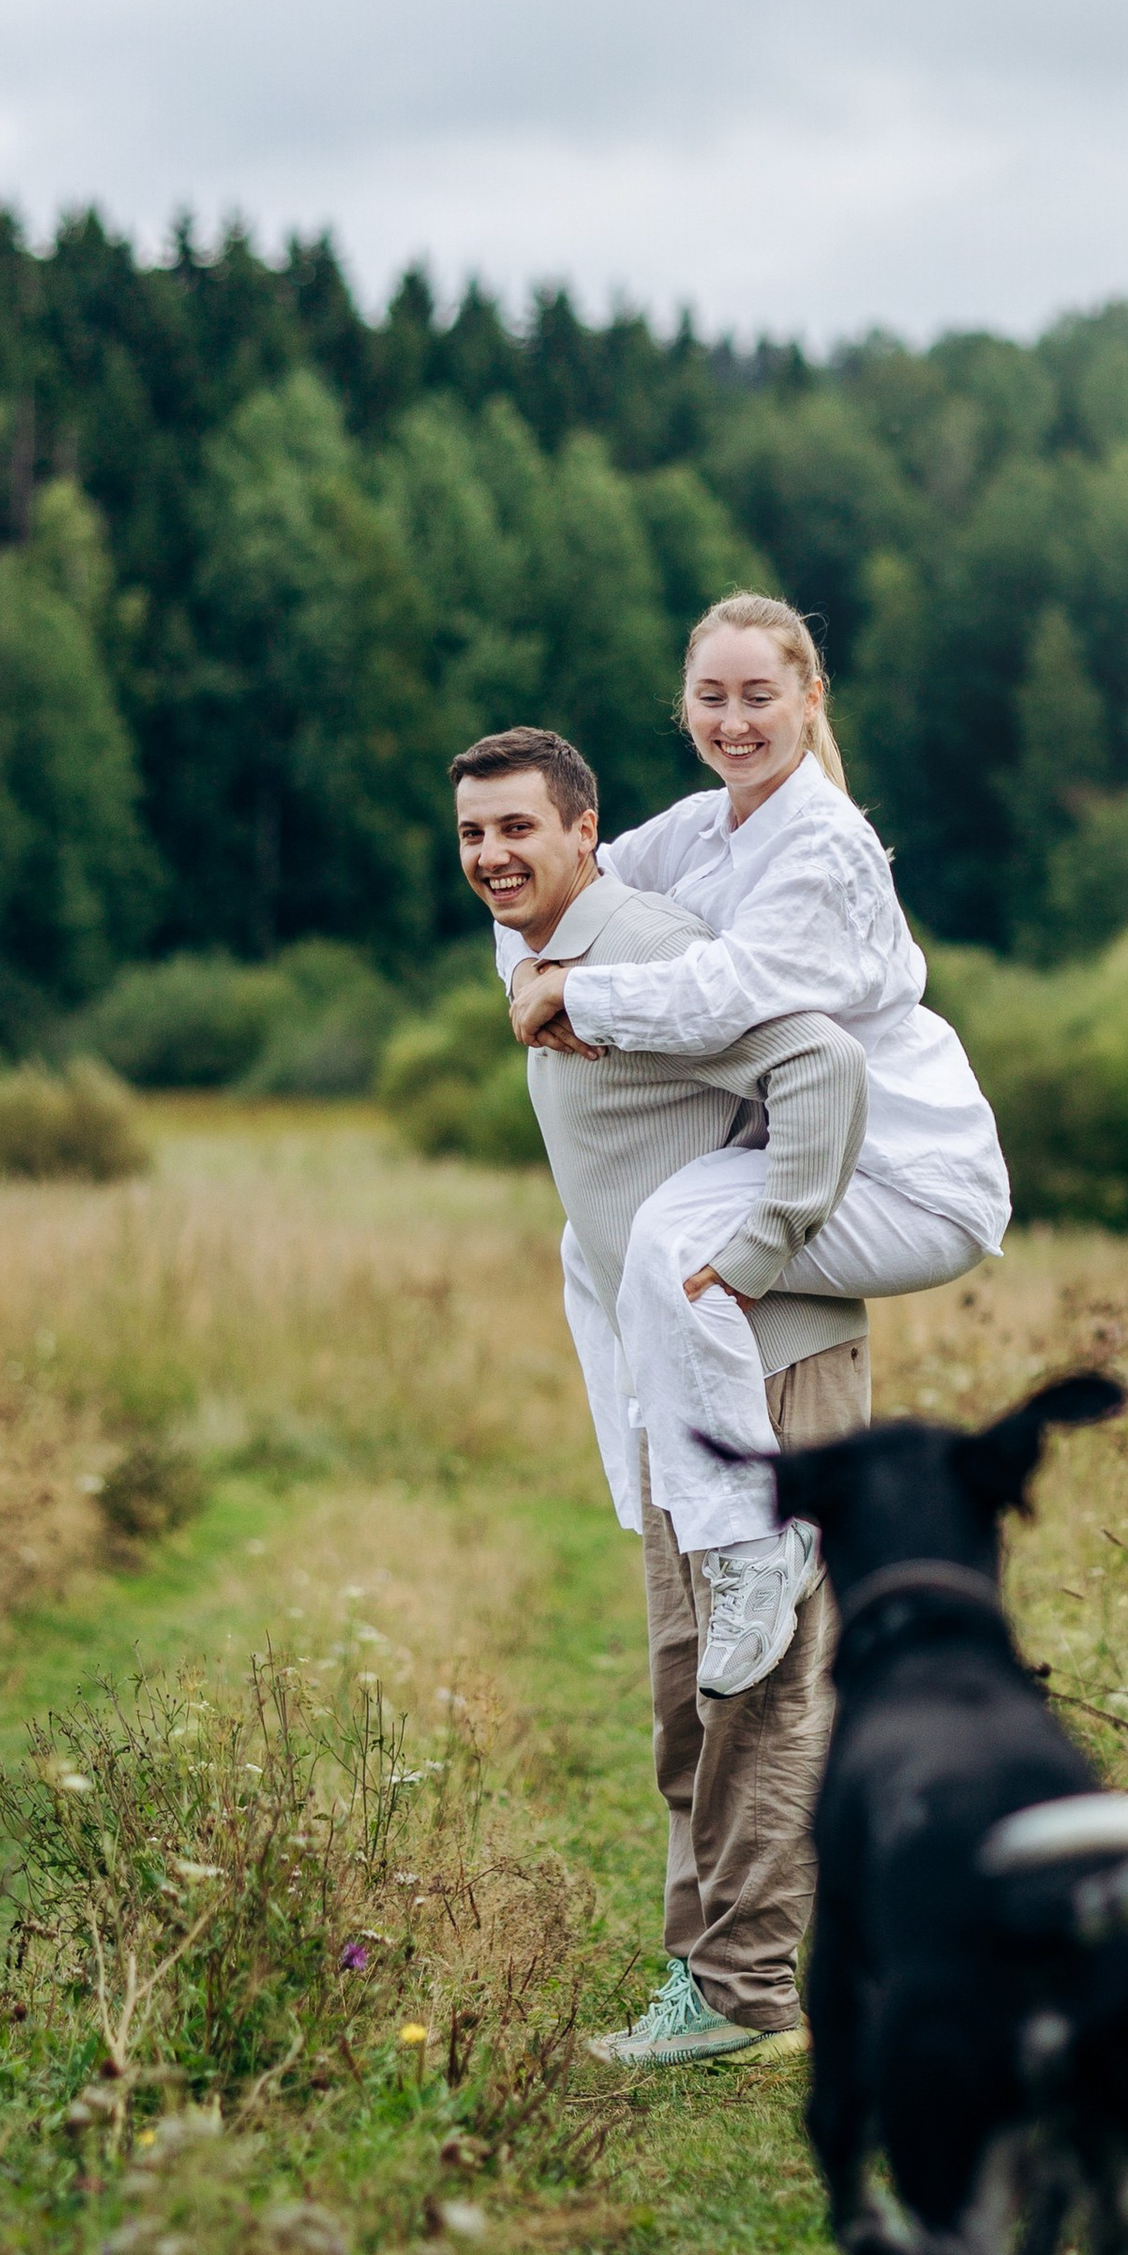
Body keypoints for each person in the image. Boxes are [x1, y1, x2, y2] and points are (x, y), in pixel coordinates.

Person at [451, 724, 868, 2065]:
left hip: (769, 1352)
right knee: (695, 1682)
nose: (492, 856)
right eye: (471, 835)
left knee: (765, 1680)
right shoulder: (549, 957)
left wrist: (751, 1256)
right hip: (683, 1373)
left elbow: (819, 1067)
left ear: (588, 831)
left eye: (519, 828)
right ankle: (710, 1980)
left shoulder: (638, 945)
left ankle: (750, 1996)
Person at [504, 591, 1008, 1697]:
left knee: (668, 1242)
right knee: (592, 1249)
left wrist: (573, 1000)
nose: (735, 720)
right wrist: (531, 977)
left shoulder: (820, 840)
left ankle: (752, 1544)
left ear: (808, 701)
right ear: (683, 704)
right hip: (805, 1145)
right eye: (711, 697)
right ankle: (656, 1494)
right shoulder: (700, 824)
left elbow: (723, 996)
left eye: (759, 697)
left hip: (907, 1173)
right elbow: (553, 897)